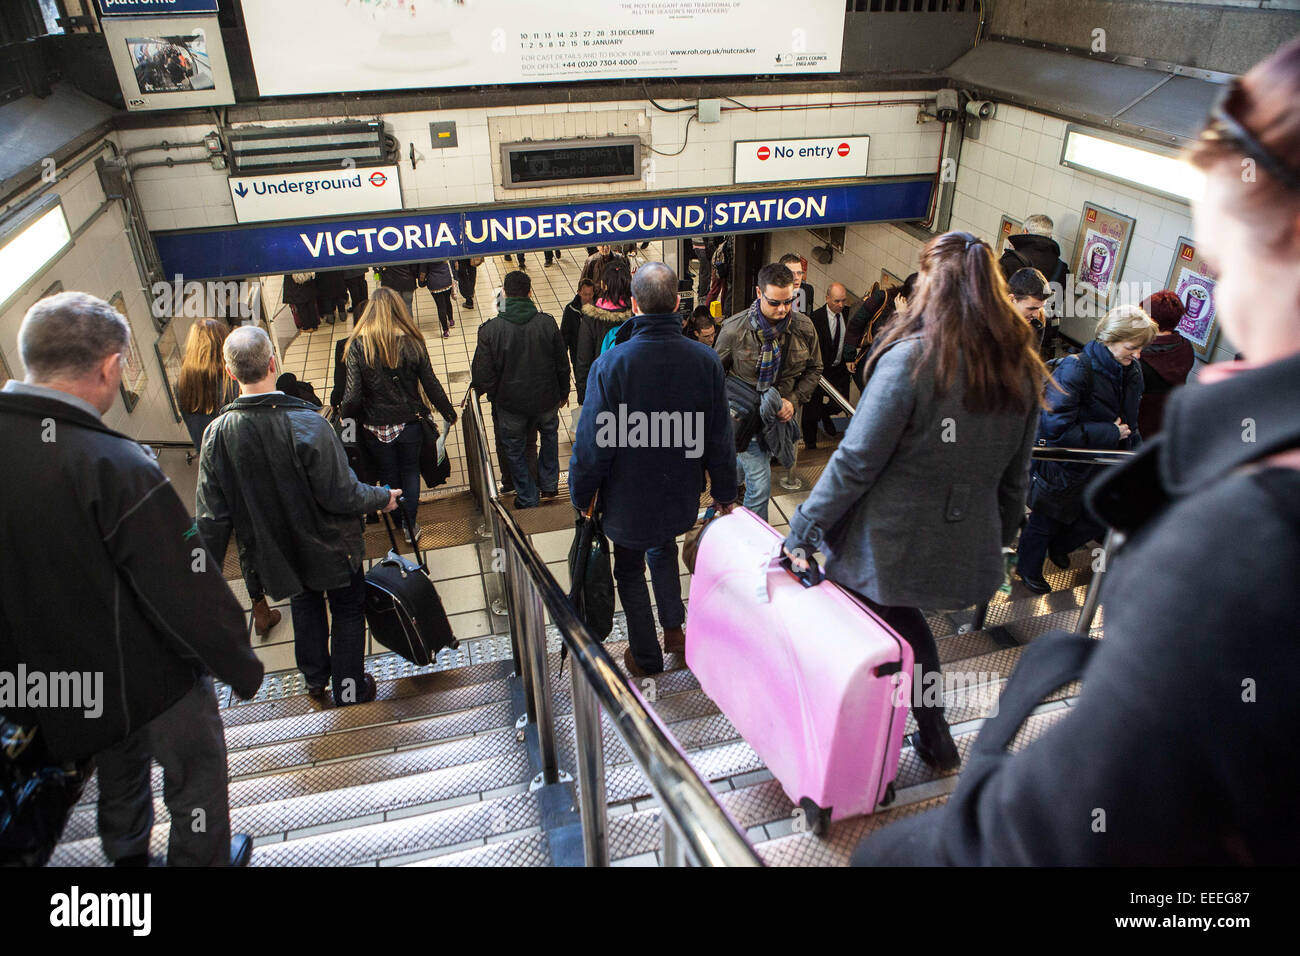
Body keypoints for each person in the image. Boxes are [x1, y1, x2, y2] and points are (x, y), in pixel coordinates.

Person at [855, 37, 1300, 866]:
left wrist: (1018, 708)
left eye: (1225, 257)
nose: (1221, 291)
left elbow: (1032, 841)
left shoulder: (1243, 548)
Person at [1, 292, 264, 867]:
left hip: (62, 684)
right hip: (151, 679)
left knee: (118, 776)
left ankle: (127, 861)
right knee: (195, 777)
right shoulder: (113, 464)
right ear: (110, 367)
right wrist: (238, 662)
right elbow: (185, 583)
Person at [784, 232, 1048, 772]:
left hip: (887, 540)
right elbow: (1016, 477)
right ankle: (934, 735)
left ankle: (859, 759)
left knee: (860, 637)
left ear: (933, 283)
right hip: (959, 538)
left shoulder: (912, 358)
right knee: (905, 625)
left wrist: (805, 525)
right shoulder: (1019, 365)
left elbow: (857, 460)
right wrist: (997, 543)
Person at [198, 326, 401, 707]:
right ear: (273, 362)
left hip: (275, 553)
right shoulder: (310, 424)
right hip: (333, 547)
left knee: (304, 604)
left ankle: (315, 683)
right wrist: (382, 498)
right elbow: (342, 493)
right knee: (346, 609)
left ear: (230, 374)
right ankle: (349, 689)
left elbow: (211, 518)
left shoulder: (217, 436)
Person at [568, 263, 738, 677]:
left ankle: (646, 658)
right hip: (679, 491)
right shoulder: (705, 361)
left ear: (633, 304)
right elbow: (719, 435)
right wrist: (725, 493)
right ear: (678, 303)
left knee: (629, 570)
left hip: (627, 498)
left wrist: (580, 492)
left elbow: (594, 445)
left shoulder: (611, 366)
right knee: (662, 549)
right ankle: (675, 631)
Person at [1015, 305, 1156, 593]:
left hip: (1103, 462)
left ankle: (1060, 546)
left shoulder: (1132, 370)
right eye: (1132, 347)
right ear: (1110, 338)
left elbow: (1132, 420)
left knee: (1097, 514)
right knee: (1045, 520)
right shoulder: (1076, 368)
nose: (1138, 355)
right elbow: (1054, 428)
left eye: (1141, 349)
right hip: (1065, 463)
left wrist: (1136, 453)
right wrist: (1110, 432)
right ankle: (1027, 567)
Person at [178, 318, 282, 639]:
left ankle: (253, 607)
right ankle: (277, 586)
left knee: (235, 540)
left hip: (214, 471)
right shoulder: (229, 383)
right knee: (261, 530)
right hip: (246, 465)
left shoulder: (184, 384)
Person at [340, 287, 457, 538]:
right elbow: (431, 383)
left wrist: (345, 416)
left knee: (388, 475)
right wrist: (448, 411)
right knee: (410, 471)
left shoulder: (358, 346)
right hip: (409, 422)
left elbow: (352, 395)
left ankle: (398, 518)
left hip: (374, 426)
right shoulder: (413, 341)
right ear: (399, 311)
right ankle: (409, 526)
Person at [715, 261, 822, 521]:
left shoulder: (803, 327)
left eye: (788, 301)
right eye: (775, 302)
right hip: (745, 417)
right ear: (759, 293)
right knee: (761, 485)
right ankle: (754, 540)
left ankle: (735, 483)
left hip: (779, 418)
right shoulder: (734, 330)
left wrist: (793, 401)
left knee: (741, 469)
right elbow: (714, 375)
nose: (783, 309)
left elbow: (815, 368)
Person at [472, 270, 570, 509]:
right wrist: (563, 392)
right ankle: (549, 485)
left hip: (510, 405)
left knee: (514, 449)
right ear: (529, 293)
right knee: (548, 438)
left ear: (505, 294)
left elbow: (482, 375)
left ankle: (527, 495)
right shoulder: (547, 323)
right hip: (546, 400)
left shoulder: (490, 330)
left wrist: (497, 394)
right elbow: (561, 363)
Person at [1136, 290, 1195, 438]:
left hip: (1138, 427)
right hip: (1167, 425)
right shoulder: (1186, 347)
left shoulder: (1139, 356)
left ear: (1151, 321)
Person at [574, 258, 633, 405]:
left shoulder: (591, 318)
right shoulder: (638, 314)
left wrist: (583, 397)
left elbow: (583, 361)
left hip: (604, 391)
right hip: (632, 391)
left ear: (603, 284)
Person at [846, 273, 918, 392]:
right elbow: (856, 324)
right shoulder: (882, 298)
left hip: (892, 380)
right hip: (870, 370)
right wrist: (849, 355)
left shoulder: (919, 317)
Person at [803, 282, 852, 450]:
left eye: (843, 301)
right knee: (810, 411)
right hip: (819, 370)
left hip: (839, 369)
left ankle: (825, 414)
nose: (840, 305)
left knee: (840, 402)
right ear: (827, 298)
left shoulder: (847, 314)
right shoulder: (816, 319)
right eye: (837, 301)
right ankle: (810, 444)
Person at [1007, 266, 1052, 357]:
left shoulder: (1038, 321)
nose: (1036, 314)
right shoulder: (990, 322)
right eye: (1031, 308)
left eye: (1040, 308)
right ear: (1011, 299)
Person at [562, 278, 595, 369]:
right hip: (577, 356)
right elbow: (565, 334)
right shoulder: (570, 310)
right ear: (579, 292)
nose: (588, 298)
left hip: (595, 355)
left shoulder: (598, 310)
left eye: (590, 294)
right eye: (585, 294)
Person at [420, 259, 456, 337]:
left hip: (434, 283)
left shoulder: (426, 257)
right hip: (446, 280)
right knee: (447, 301)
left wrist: (421, 283)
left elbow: (422, 272)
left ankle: (445, 330)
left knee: (441, 307)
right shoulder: (442, 253)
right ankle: (451, 320)